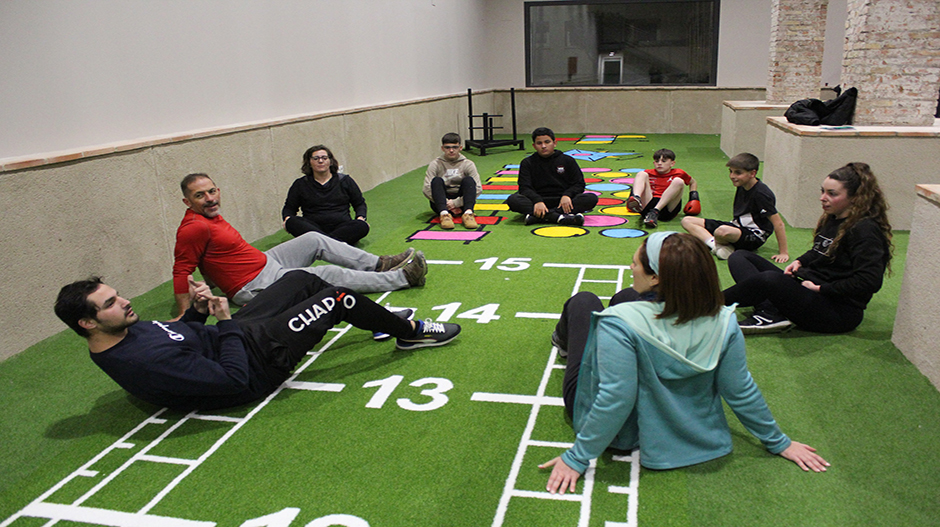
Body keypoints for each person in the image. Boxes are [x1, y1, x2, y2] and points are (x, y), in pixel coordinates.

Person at [540, 232, 829, 494]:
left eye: (635, 263)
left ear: (655, 278)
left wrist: (577, 457)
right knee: (627, 297)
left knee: (583, 301)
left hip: (622, 430)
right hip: (677, 423)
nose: (631, 267)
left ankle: (561, 340)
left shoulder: (618, 324)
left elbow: (616, 397)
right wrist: (779, 441)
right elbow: (740, 389)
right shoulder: (725, 321)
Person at [54, 273, 461, 411]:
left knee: (301, 280)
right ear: (88, 323)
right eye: (111, 303)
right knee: (339, 299)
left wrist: (198, 311)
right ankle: (410, 335)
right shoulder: (139, 362)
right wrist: (227, 323)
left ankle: (380, 321)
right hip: (258, 365)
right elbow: (232, 379)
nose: (124, 301)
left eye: (117, 294)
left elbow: (181, 335)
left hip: (235, 336)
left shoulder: (124, 329)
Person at [173, 173, 426, 318]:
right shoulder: (194, 226)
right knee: (324, 274)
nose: (209, 199)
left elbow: (211, 257)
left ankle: (379, 264)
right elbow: (181, 270)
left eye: (211, 191)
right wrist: (185, 313)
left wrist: (215, 277)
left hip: (266, 263)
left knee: (313, 239)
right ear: (187, 201)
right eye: (200, 195)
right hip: (254, 285)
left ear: (218, 190)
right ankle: (403, 278)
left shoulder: (210, 216)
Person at [723, 162, 893, 334]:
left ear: (855, 198)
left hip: (836, 312)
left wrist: (820, 289)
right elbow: (820, 250)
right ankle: (769, 312)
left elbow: (868, 282)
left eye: (832, 194)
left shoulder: (865, 230)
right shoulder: (835, 217)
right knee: (740, 257)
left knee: (770, 279)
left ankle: (705, 304)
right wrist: (800, 261)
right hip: (808, 290)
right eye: (823, 191)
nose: (822, 197)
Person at [681, 153, 788, 261]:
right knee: (687, 220)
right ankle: (717, 246)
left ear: (752, 173)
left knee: (721, 231)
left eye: (738, 173)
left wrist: (783, 253)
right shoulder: (742, 185)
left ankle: (717, 245)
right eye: (731, 172)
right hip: (736, 226)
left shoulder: (762, 194)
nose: (732, 176)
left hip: (754, 235)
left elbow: (778, 223)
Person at [506, 127, 598, 226]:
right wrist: (537, 201)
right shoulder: (527, 163)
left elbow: (579, 184)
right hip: (537, 201)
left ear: (554, 143)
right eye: (539, 143)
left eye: (547, 142)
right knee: (513, 200)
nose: (543, 146)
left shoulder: (567, 160)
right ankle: (559, 217)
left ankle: (539, 216)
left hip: (562, 202)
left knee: (591, 198)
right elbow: (524, 187)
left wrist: (567, 195)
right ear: (534, 146)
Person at [282, 145, 370, 245]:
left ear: (330, 161)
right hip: (312, 228)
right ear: (309, 162)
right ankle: (335, 244)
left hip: (342, 226)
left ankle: (320, 244)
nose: (320, 161)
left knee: (362, 225)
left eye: (324, 158)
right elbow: (289, 207)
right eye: (316, 158)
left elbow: (359, 203)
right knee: (291, 222)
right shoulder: (300, 184)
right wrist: (287, 218)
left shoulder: (345, 181)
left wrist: (361, 217)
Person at [422, 133, 483, 230]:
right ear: (442, 148)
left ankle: (468, 214)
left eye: (455, 147)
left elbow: (478, 188)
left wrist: (456, 203)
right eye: (447, 147)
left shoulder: (468, 164)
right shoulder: (435, 164)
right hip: (440, 202)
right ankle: (444, 215)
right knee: (436, 181)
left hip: (463, 201)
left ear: (460, 148)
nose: (451, 150)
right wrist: (446, 204)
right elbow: (427, 188)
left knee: (469, 181)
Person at [627, 148, 698, 228]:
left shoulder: (679, 173)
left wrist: (694, 198)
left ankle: (655, 212)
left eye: (664, 161)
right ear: (654, 163)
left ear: (672, 163)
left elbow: (693, 182)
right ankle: (636, 198)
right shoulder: (649, 173)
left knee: (678, 181)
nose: (659, 164)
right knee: (641, 174)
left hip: (668, 208)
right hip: (649, 206)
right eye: (657, 161)